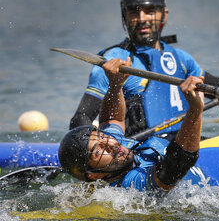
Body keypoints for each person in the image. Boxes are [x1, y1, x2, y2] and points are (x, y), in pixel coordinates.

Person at [69, 0, 219, 140]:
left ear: (164, 15)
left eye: (150, 11)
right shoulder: (112, 62)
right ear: (124, 17)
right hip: (141, 154)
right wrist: (96, 148)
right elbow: (81, 119)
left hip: (182, 148)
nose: (142, 18)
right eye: (134, 12)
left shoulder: (181, 59)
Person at [59, 58, 204, 191]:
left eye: (101, 136)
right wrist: (195, 110)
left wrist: (115, 84)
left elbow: (113, 119)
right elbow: (177, 166)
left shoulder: (115, 148)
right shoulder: (131, 185)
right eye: (97, 152)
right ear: (94, 176)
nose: (109, 143)